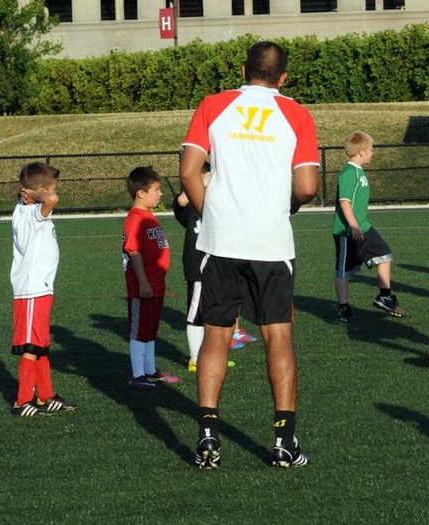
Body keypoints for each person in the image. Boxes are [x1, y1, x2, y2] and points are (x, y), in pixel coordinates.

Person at [179, 41, 319, 469]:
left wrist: (213, 214)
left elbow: (188, 172)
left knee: (216, 333)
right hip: (270, 242)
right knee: (278, 335)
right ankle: (284, 441)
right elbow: (308, 187)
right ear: (284, 77)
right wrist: (286, 206)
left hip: (222, 241)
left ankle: (207, 435)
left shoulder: (213, 105)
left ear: (244, 70)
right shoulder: (297, 113)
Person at [10, 162, 77, 416]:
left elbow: (47, 197)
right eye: (51, 187)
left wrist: (32, 193)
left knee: (40, 344)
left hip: (41, 289)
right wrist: (36, 193)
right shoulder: (29, 213)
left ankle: (45, 395)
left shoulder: (28, 208)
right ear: (37, 191)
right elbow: (52, 199)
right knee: (30, 346)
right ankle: (23, 401)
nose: (54, 191)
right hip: (31, 290)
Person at [174, 161, 250, 373]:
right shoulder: (190, 203)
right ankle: (195, 359)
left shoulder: (220, 200)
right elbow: (180, 202)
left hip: (220, 265)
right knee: (196, 315)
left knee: (217, 314)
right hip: (197, 267)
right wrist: (198, 182)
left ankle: (214, 356)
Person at [333, 131, 406, 323]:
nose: (373, 152)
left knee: (384, 254)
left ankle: (385, 296)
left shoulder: (359, 171)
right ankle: (343, 308)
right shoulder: (348, 174)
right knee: (344, 270)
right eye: (371, 149)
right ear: (362, 151)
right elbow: (345, 202)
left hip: (363, 227)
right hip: (347, 231)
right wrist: (353, 226)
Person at [122, 166, 177, 390]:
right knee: (140, 330)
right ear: (141, 193)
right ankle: (137, 375)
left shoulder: (147, 215)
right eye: (156, 189)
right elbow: (134, 251)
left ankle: (150, 370)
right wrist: (143, 282)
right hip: (143, 286)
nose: (160, 194)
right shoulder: (136, 218)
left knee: (151, 329)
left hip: (156, 284)